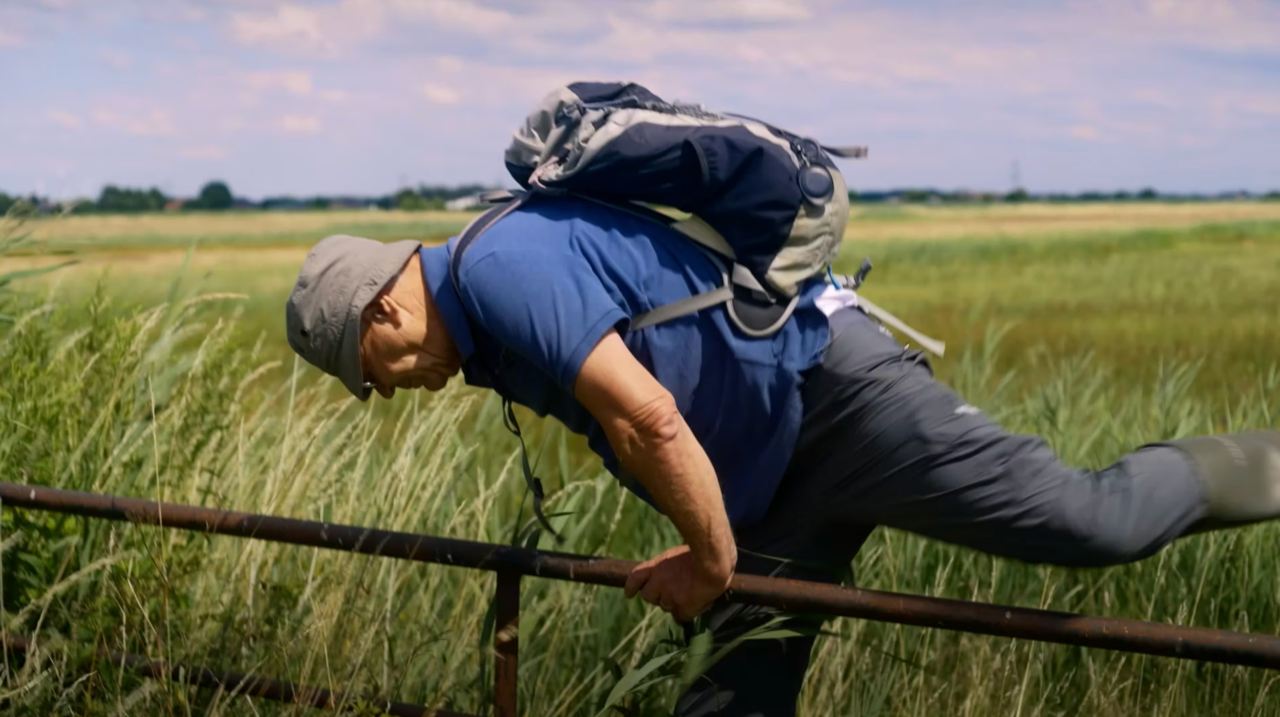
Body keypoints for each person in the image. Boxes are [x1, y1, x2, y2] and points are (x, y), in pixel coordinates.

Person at [286, 195, 1280, 717]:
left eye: (371, 371)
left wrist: (709, 562)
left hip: (834, 396)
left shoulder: (498, 270)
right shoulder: (481, 315)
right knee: (733, 693)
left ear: (382, 310)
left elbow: (650, 422)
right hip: (765, 476)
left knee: (1087, 520)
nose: (391, 390)